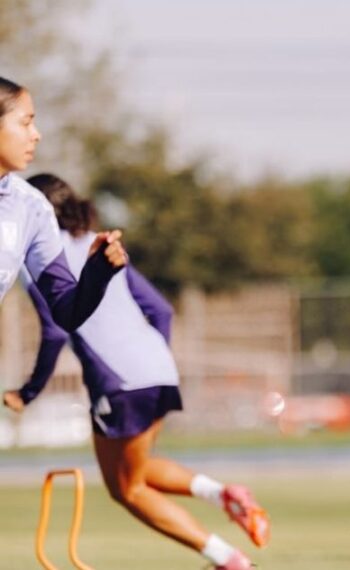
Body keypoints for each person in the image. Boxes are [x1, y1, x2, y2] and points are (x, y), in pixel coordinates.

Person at [2, 174, 270, 570]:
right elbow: (161, 310)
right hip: (157, 367)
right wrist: (151, 359)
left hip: (120, 380)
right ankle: (224, 494)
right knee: (135, 471)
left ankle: (229, 560)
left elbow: (56, 328)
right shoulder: (101, 246)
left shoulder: (37, 256)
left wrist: (28, 392)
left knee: (127, 489)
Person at [0, 77, 125, 330]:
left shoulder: (32, 207)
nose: (36, 135)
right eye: (25, 123)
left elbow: (66, 311)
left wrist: (97, 272)